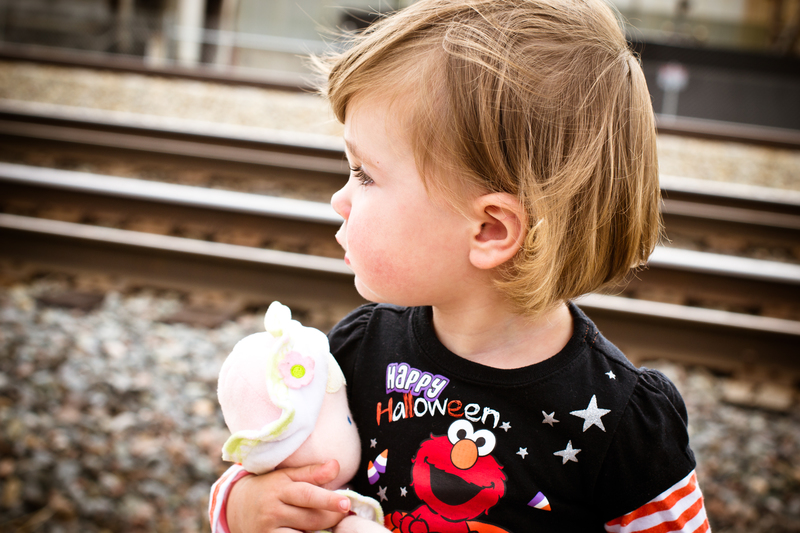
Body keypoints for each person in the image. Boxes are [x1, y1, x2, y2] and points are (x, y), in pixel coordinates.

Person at [210, 0, 710, 531]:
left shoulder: (623, 422)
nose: (340, 199)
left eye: (365, 174)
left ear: (490, 230)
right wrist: (242, 506)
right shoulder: (357, 351)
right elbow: (288, 480)